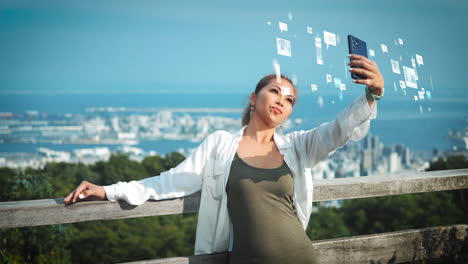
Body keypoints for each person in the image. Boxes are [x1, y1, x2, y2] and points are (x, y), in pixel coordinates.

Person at [65, 54, 384, 263]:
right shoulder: (220, 145)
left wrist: (371, 95)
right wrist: (108, 190)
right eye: (274, 91)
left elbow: (338, 131)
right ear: (253, 97)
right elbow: (171, 181)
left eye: (289, 100)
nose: (281, 101)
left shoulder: (298, 146)